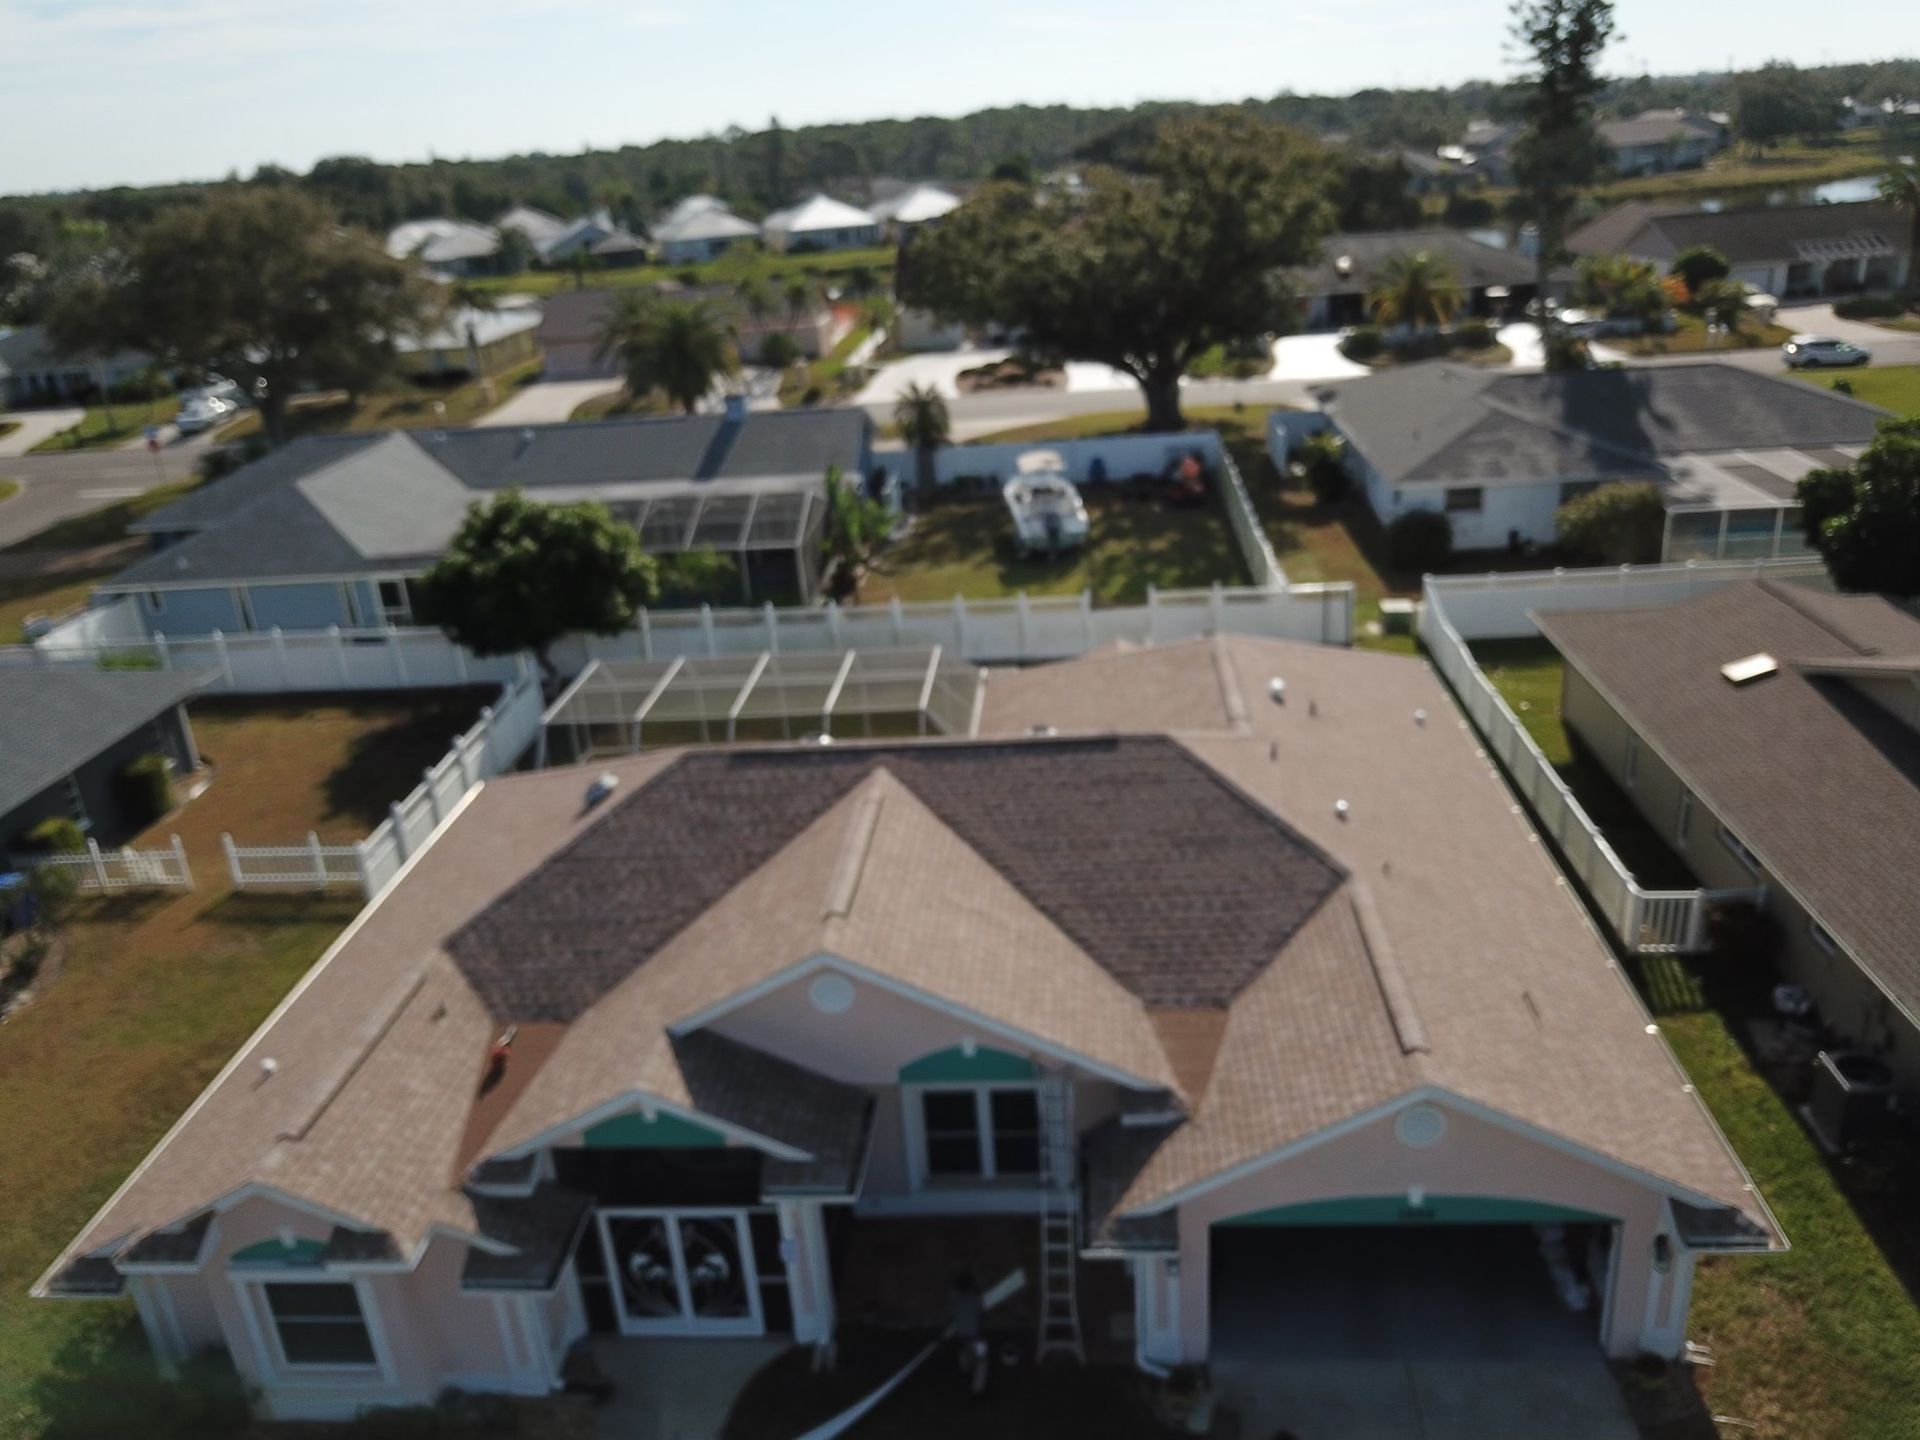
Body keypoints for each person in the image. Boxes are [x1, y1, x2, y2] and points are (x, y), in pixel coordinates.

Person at [949, 1268, 988, 1395]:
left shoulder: (955, 1299)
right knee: (982, 1361)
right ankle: (977, 1390)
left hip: (961, 1338)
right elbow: (982, 1315)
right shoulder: (976, 1299)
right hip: (975, 1337)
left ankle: (965, 1372)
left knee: (965, 1356)